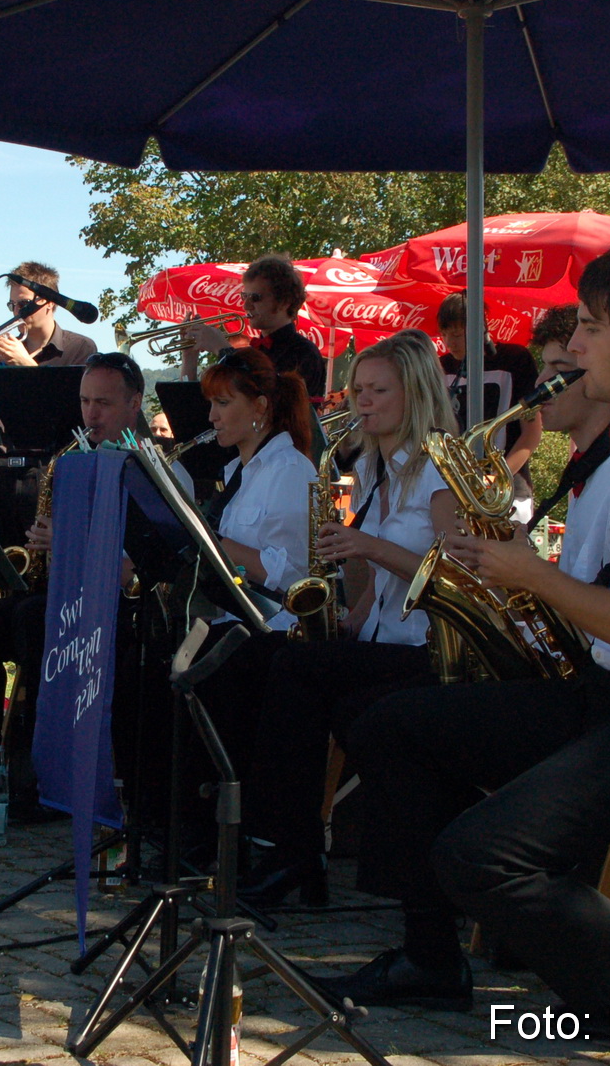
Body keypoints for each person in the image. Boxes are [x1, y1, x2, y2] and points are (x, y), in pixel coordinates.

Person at [317, 245, 610, 1025]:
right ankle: (431, 958)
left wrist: (528, 575)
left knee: (478, 853)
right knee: (392, 725)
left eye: (594, 329)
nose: (578, 348)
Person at [240, 332, 458, 906]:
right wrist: (349, 613)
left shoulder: (442, 471)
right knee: (262, 655)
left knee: (296, 671)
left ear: (416, 394)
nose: (362, 401)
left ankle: (292, 852)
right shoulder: (368, 469)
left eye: (378, 390)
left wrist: (365, 545)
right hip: (385, 640)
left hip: (431, 650)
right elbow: (375, 592)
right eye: (358, 389)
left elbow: (453, 578)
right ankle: (279, 844)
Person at [0, 352, 149, 809]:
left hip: (119, 608)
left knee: (34, 622)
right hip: (67, 596)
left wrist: (67, 541)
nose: (91, 414)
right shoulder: (74, 462)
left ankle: (39, 772)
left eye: (104, 403)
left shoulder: (150, 468)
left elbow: (135, 569)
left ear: (134, 404)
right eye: (84, 402)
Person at [181, 348, 316, 814]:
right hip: (234, 621)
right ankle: (179, 817)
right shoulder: (239, 472)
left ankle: (213, 820)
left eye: (223, 404)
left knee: (201, 668)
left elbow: (292, 575)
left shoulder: (290, 470)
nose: (212, 416)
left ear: (259, 407)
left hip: (273, 631)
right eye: (211, 404)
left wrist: (208, 540)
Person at [527, 304, 610, 583]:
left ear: (594, 372)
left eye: (559, 368)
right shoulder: (589, 464)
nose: (541, 381)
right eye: (544, 365)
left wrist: (527, 573)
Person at [436, 292, 543, 522]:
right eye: (444, 334)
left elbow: (532, 432)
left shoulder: (515, 359)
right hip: (456, 491)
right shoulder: (441, 367)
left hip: (510, 491)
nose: (449, 342)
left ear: (479, 328)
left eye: (456, 333)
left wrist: (497, 477)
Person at [185, 255, 328, 400]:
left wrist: (223, 350)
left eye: (256, 298)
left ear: (284, 302)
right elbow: (210, 409)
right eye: (244, 296)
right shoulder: (253, 352)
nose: (246, 305)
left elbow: (264, 402)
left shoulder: (304, 353)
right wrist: (189, 357)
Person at [0, 263, 96, 367]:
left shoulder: (80, 347)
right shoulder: (6, 352)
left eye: (23, 304)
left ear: (50, 302)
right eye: (12, 305)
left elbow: (73, 393)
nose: (16, 311)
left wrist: (26, 365)